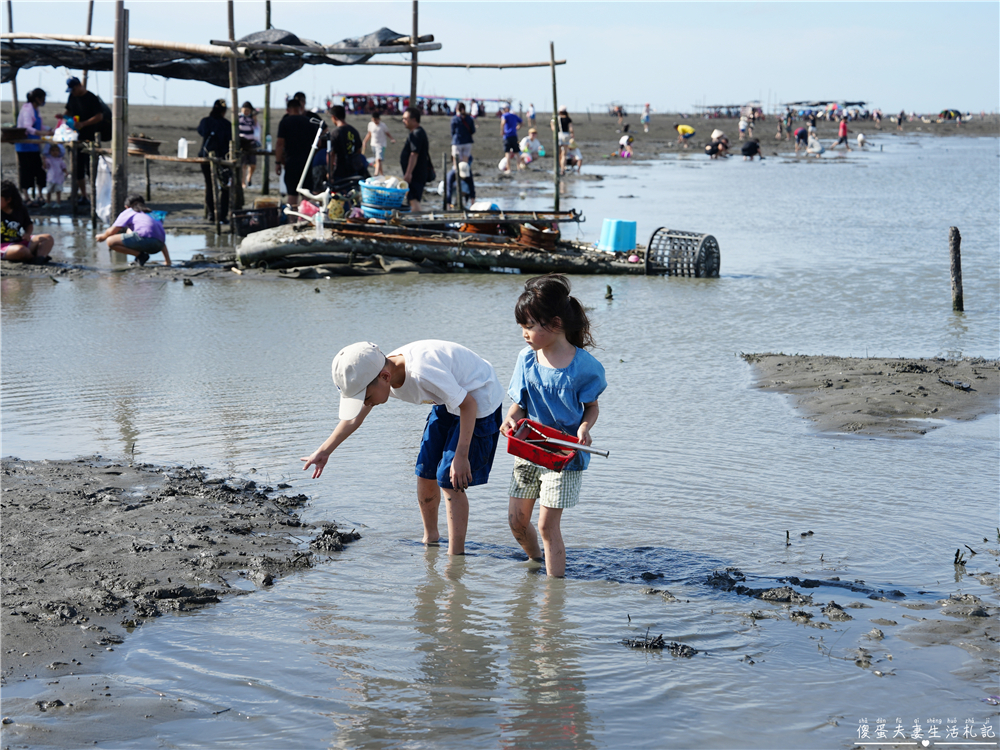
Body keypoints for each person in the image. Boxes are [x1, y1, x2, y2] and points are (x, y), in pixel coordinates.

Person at [301, 340, 504, 557]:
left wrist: (461, 455)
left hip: (479, 398)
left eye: (366, 398)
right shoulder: (380, 372)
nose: (366, 404)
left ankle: (455, 557)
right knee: (425, 471)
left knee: (449, 479)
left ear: (385, 378)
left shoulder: (422, 373)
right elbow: (353, 419)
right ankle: (431, 538)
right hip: (449, 399)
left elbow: (469, 404)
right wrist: (324, 450)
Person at [502, 275, 606, 578]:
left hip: (564, 456)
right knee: (516, 520)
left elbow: (592, 407)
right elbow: (520, 404)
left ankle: (553, 598)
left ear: (556, 323)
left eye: (530, 325)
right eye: (522, 326)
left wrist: (584, 428)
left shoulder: (584, 366)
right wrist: (510, 418)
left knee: (548, 526)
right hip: (529, 448)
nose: (524, 333)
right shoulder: (526, 359)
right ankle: (536, 562)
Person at [65, 77, 112, 205]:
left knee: (91, 168)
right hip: (76, 138)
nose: (72, 92)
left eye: (74, 89)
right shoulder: (72, 97)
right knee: (77, 168)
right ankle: (84, 195)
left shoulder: (91, 98)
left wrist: (84, 124)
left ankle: (95, 195)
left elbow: (99, 116)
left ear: (80, 86)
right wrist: (65, 119)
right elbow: (68, 111)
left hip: (91, 137)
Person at [95, 193, 170, 267]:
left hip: (146, 241)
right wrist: (168, 261)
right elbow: (159, 236)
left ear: (126, 207)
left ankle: (141, 256)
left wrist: (103, 237)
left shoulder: (130, 211)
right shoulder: (152, 213)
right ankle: (143, 258)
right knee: (130, 231)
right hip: (158, 246)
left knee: (110, 241)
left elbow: (112, 231)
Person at [275, 98, 319, 208]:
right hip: (307, 162)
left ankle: (292, 219)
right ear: (300, 108)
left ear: (288, 110)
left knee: (292, 194)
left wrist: (277, 162)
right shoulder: (309, 121)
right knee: (306, 193)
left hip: (291, 162)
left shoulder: (285, 122)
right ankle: (304, 218)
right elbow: (318, 142)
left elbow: (280, 143)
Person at [196, 99, 232, 222]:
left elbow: (201, 132)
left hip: (205, 157)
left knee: (210, 185)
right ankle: (222, 215)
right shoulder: (227, 124)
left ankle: (212, 213)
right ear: (224, 111)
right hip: (222, 159)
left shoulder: (205, 122)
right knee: (225, 186)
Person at [1, 180, 54, 264]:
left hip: (18, 241)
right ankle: (32, 258)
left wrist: (27, 234)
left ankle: (40, 257)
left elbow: (29, 225)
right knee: (20, 250)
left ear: (8, 200)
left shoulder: (20, 209)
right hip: (3, 245)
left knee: (48, 238)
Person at [15, 88, 51, 207]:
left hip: (34, 146)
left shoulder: (36, 110)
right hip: (25, 146)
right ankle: (26, 197)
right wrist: (41, 134)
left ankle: (40, 195)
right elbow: (27, 127)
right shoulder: (27, 109)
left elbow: (38, 125)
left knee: (39, 171)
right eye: (43, 98)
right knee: (26, 171)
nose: (44, 100)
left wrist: (48, 130)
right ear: (37, 98)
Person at [400, 106, 432, 212]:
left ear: (414, 120)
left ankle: (417, 223)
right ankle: (416, 222)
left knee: (413, 199)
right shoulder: (415, 133)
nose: (403, 121)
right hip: (416, 173)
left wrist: (408, 173)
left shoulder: (417, 134)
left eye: (406, 119)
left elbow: (414, 154)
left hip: (416, 174)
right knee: (412, 198)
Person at [327, 105, 367, 184]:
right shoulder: (354, 131)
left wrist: (329, 172)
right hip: (354, 169)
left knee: (340, 194)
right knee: (353, 194)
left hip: (340, 171)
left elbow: (331, 154)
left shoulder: (334, 133)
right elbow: (359, 150)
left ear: (333, 117)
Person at [361, 110, 396, 177]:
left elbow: (387, 133)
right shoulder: (370, 124)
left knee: (378, 159)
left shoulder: (383, 125)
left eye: (376, 120)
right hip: (373, 144)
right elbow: (369, 134)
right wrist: (365, 141)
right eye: (373, 120)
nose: (375, 121)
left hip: (381, 144)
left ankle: (376, 174)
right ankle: (382, 174)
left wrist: (392, 139)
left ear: (379, 119)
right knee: (377, 160)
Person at [449, 102, 476, 172]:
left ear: (457, 109)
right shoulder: (469, 119)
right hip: (467, 141)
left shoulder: (454, 119)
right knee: (464, 163)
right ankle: (464, 176)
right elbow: (473, 130)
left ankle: (456, 176)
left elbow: (452, 131)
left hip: (457, 141)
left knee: (456, 163)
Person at [238, 101, 259, 189]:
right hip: (242, 142)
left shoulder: (252, 118)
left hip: (251, 142)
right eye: (244, 110)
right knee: (243, 164)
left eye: (248, 110)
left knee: (253, 164)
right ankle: (243, 182)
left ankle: (249, 177)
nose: (246, 112)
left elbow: (257, 129)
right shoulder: (238, 117)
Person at [500, 104, 523, 172]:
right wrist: (517, 128)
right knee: (516, 152)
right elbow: (522, 122)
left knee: (507, 153)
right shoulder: (514, 116)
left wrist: (502, 131)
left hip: (507, 136)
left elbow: (503, 122)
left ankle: (509, 168)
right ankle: (519, 168)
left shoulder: (505, 115)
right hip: (514, 136)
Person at [553, 106, 574, 175]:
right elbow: (571, 129)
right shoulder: (568, 119)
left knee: (558, 153)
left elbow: (553, 127)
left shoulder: (556, 118)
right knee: (564, 154)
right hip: (566, 135)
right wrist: (572, 135)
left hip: (558, 135)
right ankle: (563, 169)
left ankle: (558, 168)